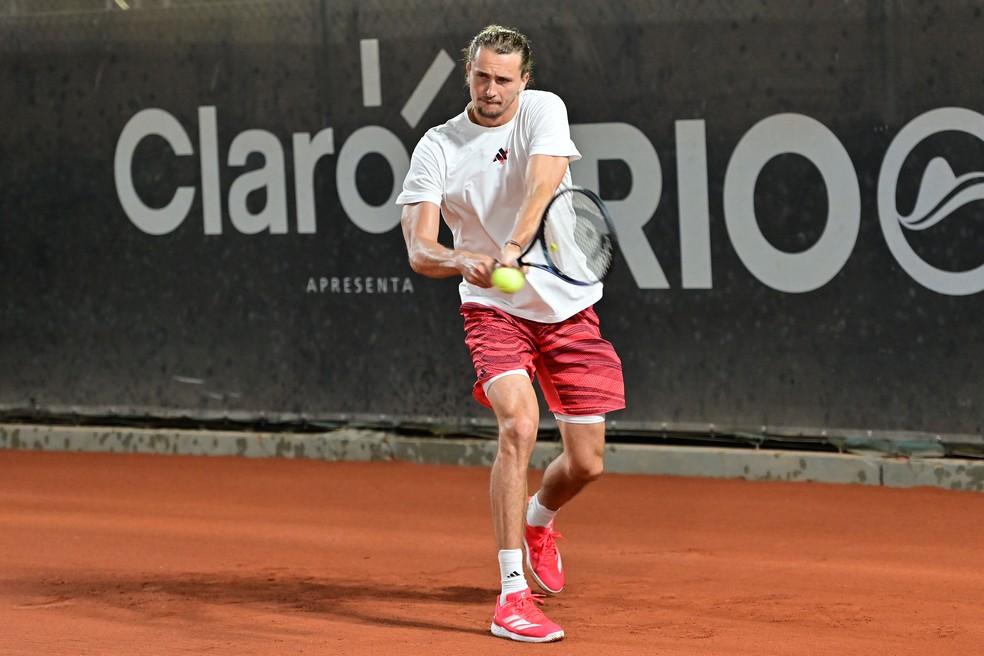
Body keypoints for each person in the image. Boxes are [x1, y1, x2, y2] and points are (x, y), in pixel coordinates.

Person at [396, 24, 625, 643]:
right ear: (466, 75)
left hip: (568, 306)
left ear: (524, 80)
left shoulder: (543, 110)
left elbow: (545, 180)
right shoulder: (436, 148)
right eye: (480, 77)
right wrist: (458, 261)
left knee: (587, 463)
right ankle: (511, 596)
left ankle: (539, 519)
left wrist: (516, 245)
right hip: (492, 308)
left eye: (503, 79)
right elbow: (420, 247)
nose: (491, 89)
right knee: (518, 424)